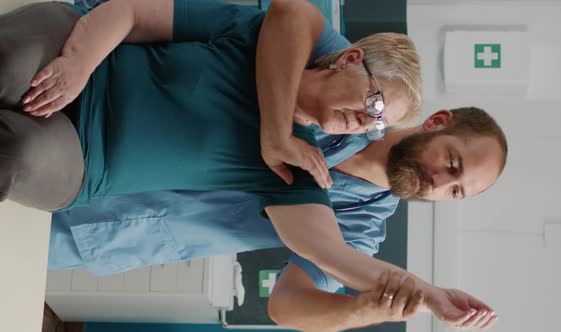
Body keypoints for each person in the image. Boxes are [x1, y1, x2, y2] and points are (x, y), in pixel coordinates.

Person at [1, 0, 504, 329]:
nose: (440, 181)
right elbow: (291, 14)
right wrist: (276, 133)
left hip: (95, 206)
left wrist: (371, 306)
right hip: (87, 77)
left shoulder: (331, 204)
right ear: (436, 122)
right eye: (453, 163)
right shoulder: (338, 66)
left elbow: (292, 299)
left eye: (455, 192)